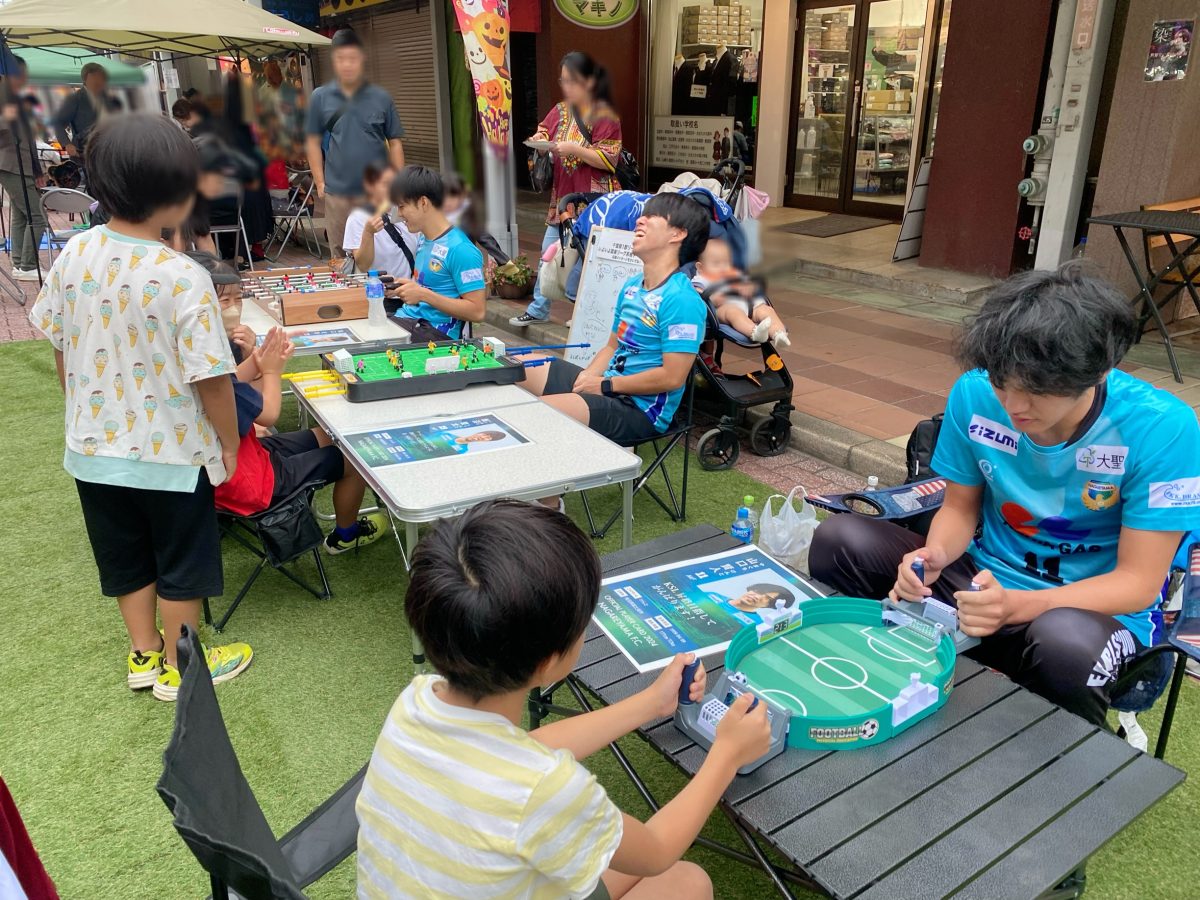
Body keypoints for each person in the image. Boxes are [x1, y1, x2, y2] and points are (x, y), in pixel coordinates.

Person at [808, 266, 1200, 726]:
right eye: (1001, 381)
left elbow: (1137, 582)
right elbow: (957, 508)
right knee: (840, 540)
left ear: (1096, 371)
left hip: (1086, 615)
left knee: (1065, 643)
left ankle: (1045, 760)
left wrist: (1022, 605)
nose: (1013, 405)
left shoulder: (1162, 428)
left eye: (1035, 389)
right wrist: (932, 557)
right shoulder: (975, 394)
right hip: (981, 585)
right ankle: (879, 684)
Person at [356, 500, 770, 899]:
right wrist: (727, 755)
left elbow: (518, 754)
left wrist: (650, 703)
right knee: (688, 883)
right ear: (550, 660)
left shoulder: (415, 702)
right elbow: (658, 850)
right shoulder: (544, 792)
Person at [28, 113, 253, 703]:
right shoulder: (181, 276)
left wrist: (81, 410)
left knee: (125, 556)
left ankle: (144, 654)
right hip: (173, 452)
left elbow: (60, 345)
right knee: (181, 558)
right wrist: (228, 442)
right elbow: (213, 378)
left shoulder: (73, 254)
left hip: (92, 450)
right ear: (177, 191)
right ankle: (181, 668)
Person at [194, 254, 390, 553]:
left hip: (245, 459)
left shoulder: (197, 354)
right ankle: (345, 536)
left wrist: (259, 357)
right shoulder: (210, 364)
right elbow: (268, 414)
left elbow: (234, 381)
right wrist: (272, 369)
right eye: (224, 301)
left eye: (239, 298)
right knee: (355, 460)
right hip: (248, 484)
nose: (234, 308)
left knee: (332, 435)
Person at [520, 193, 708, 445]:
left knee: (532, 416)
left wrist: (605, 386)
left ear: (677, 234)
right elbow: (612, 346)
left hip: (639, 410)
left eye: (652, 216)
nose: (640, 220)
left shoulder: (682, 299)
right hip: (608, 387)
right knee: (513, 366)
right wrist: (588, 379)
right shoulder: (632, 286)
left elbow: (672, 377)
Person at [511, 51, 622, 328]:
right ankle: (538, 309)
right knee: (549, 250)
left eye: (572, 81)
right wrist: (540, 139)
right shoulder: (560, 110)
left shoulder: (605, 114)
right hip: (562, 198)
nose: (567, 87)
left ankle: (583, 312)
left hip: (593, 199)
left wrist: (574, 149)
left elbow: (609, 159)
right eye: (564, 81)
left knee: (586, 259)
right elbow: (544, 131)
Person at [305, 28, 405, 260]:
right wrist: (320, 182)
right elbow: (312, 142)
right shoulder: (320, 97)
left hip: (376, 194)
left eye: (352, 58)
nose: (347, 65)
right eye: (341, 59)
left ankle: (378, 294)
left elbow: (395, 142)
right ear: (334, 61)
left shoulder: (381, 98)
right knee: (341, 255)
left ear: (361, 59)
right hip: (338, 193)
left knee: (381, 250)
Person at [389, 165, 485, 339]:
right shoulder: (423, 239)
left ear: (423, 203)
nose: (400, 214)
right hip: (408, 322)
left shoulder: (461, 249)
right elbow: (432, 287)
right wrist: (403, 288)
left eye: (402, 207)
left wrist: (423, 295)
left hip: (433, 336)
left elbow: (477, 312)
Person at [0, 56, 48, 281]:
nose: (24, 79)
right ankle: (28, 265)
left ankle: (20, 264)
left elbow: (29, 138)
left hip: (22, 164)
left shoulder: (18, 98)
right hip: (10, 163)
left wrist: (37, 171)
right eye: (21, 74)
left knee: (22, 215)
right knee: (37, 216)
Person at [693, 238, 789, 348]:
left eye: (726, 262)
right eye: (716, 263)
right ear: (700, 267)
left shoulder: (733, 274)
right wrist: (719, 297)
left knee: (767, 310)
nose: (723, 267)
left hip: (748, 306)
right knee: (733, 312)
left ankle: (779, 334)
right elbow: (698, 299)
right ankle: (754, 332)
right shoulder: (701, 280)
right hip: (722, 311)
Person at [341, 163, 417, 279]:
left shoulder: (404, 209)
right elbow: (363, 265)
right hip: (379, 292)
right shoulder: (358, 218)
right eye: (386, 184)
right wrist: (368, 233)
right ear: (370, 186)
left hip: (410, 289)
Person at [52, 62, 120, 159]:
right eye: (95, 78)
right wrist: (67, 144)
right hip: (85, 153)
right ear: (85, 79)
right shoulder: (75, 99)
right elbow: (58, 123)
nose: (99, 81)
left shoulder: (108, 99)